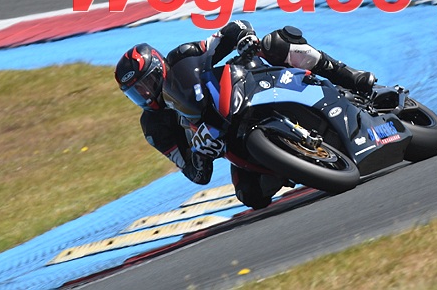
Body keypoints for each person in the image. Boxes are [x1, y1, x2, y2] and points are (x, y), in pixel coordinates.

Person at [114, 20, 376, 209]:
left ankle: (349, 76)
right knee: (251, 195)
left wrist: (244, 38)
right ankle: (297, 161)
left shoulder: (183, 56)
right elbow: (195, 174)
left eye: (147, 83)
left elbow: (231, 31)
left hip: (244, 88)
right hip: (231, 140)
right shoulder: (154, 128)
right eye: (137, 93)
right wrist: (201, 155)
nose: (146, 94)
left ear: (160, 67)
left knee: (275, 43)